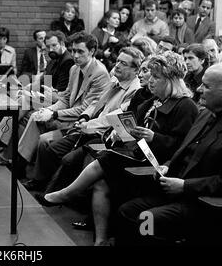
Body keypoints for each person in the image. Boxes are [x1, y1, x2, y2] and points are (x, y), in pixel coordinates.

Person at [40, 52, 198, 246]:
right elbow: (133, 125)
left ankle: (67, 193)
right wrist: (122, 132)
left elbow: (182, 147)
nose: (150, 81)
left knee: (107, 157)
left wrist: (154, 137)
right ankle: (100, 240)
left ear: (172, 80)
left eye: (157, 77)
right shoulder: (152, 101)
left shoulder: (185, 106)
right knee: (101, 183)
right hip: (139, 156)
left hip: (159, 167)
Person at [118, 63, 222, 245]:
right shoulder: (204, 114)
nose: (198, 89)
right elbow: (183, 149)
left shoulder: (189, 107)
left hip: (200, 200)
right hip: (174, 189)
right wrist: (168, 164)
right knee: (127, 207)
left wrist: (185, 185)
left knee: (146, 219)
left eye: (206, 86)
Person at [23, 47, 143, 191]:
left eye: (123, 63)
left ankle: (53, 190)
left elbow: (111, 119)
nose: (117, 65)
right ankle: (41, 182)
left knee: (62, 154)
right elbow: (96, 102)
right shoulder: (112, 79)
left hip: (101, 134)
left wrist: (84, 123)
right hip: (85, 124)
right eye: (117, 61)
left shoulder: (134, 91)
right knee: (43, 134)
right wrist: (84, 116)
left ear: (136, 70)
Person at [0, 31, 74, 158]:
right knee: (20, 98)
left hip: (57, 101)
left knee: (22, 101)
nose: (50, 49)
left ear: (62, 43)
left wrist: (32, 92)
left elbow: (59, 90)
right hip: (47, 95)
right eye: (48, 47)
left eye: (54, 45)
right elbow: (43, 81)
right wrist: (28, 88)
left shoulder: (67, 61)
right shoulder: (54, 59)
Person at [18, 32, 109, 164]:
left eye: (80, 51)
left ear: (92, 51)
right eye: (73, 51)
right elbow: (66, 98)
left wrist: (53, 114)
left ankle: (24, 167)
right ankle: (21, 162)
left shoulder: (99, 73)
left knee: (43, 136)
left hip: (82, 123)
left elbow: (85, 110)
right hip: (68, 115)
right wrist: (49, 110)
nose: (75, 56)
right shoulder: (74, 68)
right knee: (36, 116)